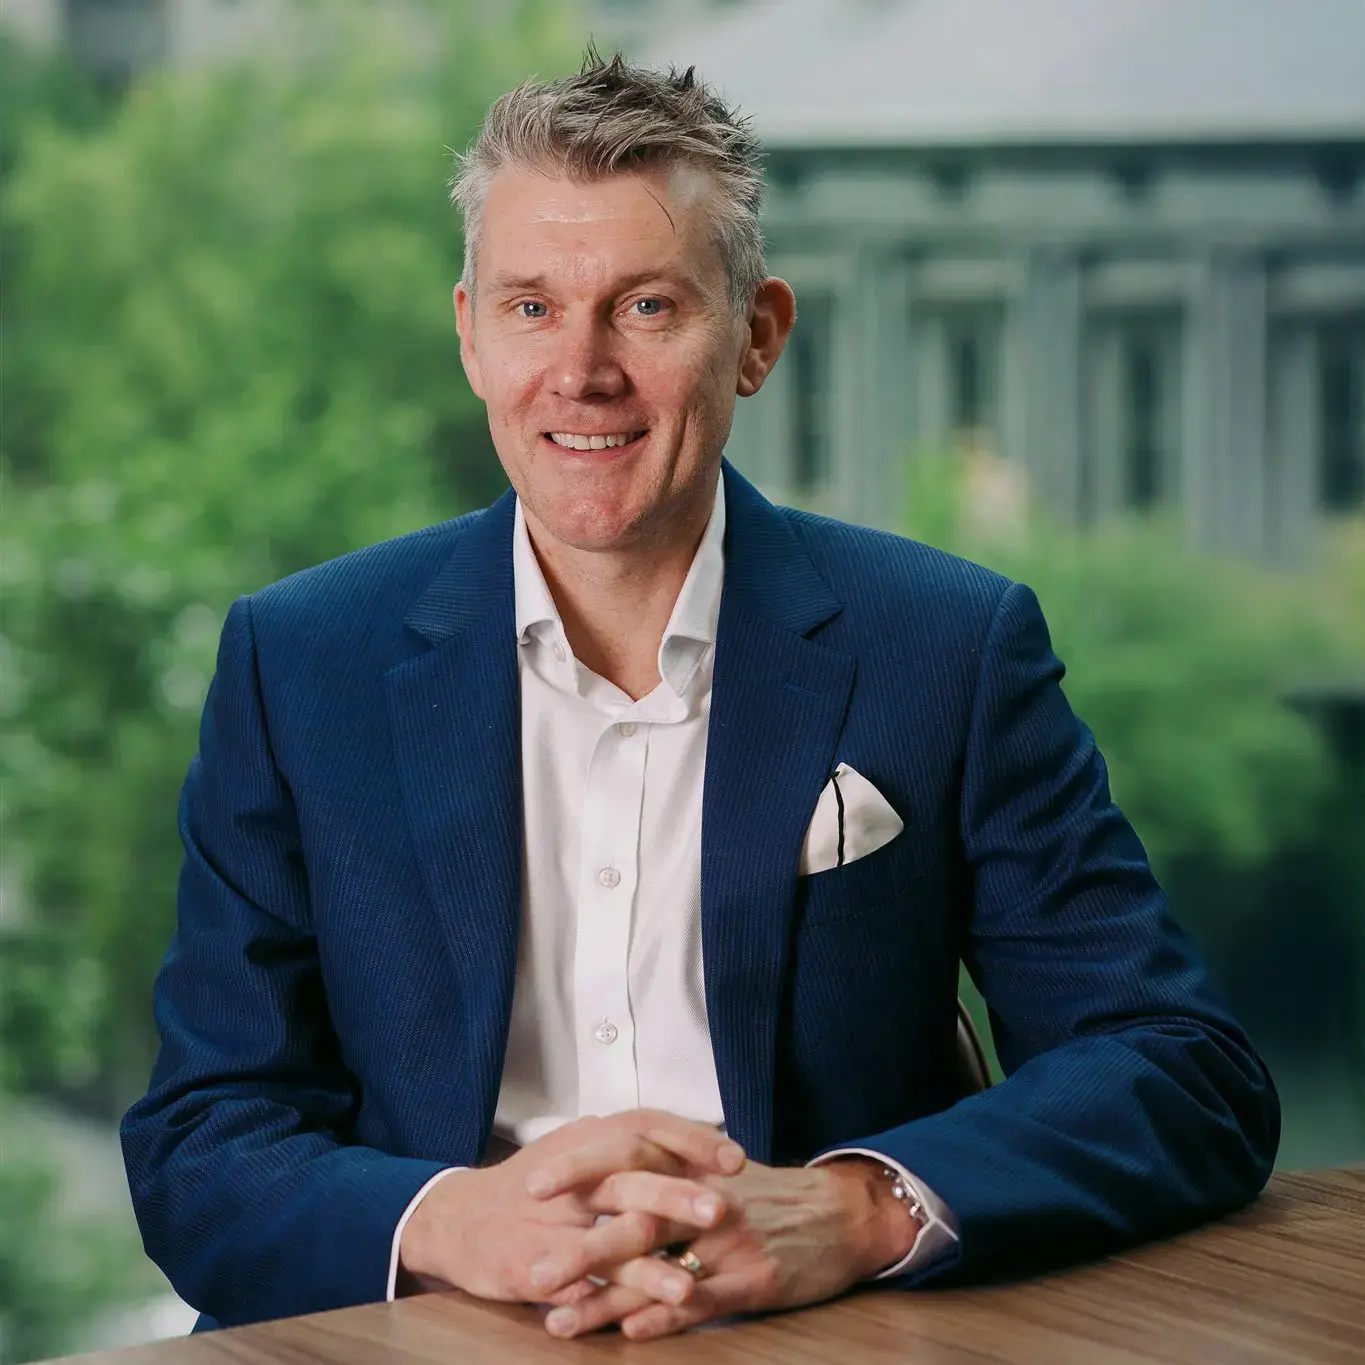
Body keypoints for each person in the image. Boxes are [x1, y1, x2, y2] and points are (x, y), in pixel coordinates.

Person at [121, 52, 1279, 1343]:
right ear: (469, 335)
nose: (582, 370)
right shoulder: (301, 661)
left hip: (822, 1334)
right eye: (531, 307)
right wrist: (447, 1222)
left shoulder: (948, 646)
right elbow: (203, 1139)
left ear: (758, 336)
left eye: (646, 307)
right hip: (431, 1327)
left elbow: (1181, 1069)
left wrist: (856, 1209)